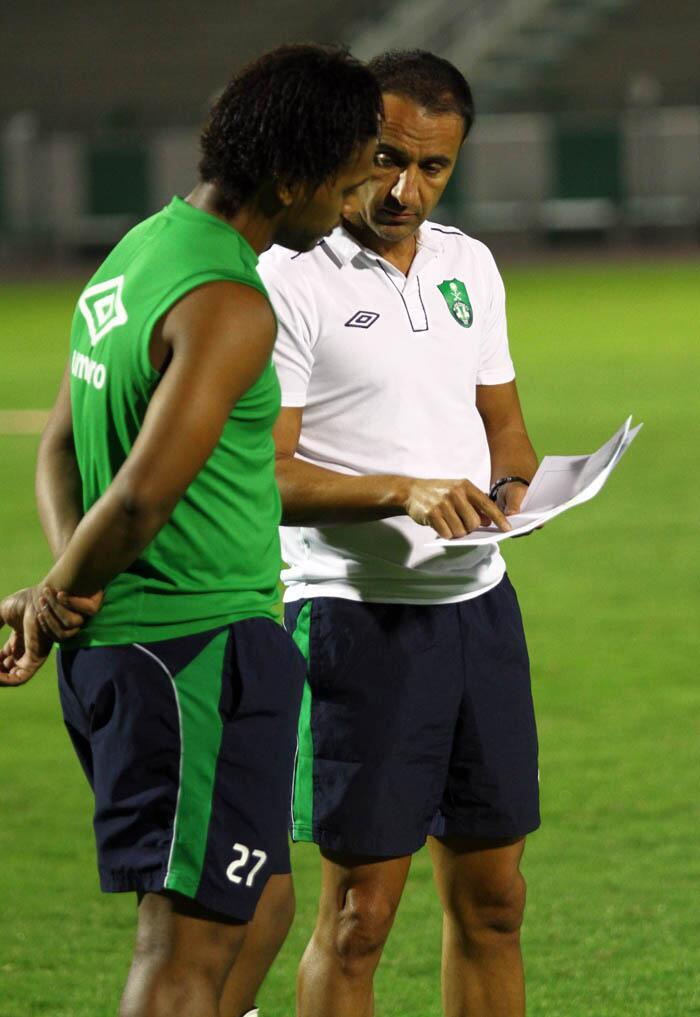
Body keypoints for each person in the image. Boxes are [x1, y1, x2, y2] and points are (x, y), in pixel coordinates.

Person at [0, 44, 381, 1017]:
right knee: (182, 948)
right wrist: (61, 592)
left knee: (261, 906)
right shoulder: (227, 303)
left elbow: (59, 446)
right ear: (289, 177)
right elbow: (137, 499)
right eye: (344, 185)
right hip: (188, 655)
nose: (351, 208)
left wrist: (69, 584)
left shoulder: (141, 249)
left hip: (151, 647)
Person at [257, 49, 540, 1017]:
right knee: (358, 919)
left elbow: (505, 427)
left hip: (479, 613)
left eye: (432, 167)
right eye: (386, 158)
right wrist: (400, 494)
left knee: (497, 902)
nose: (404, 190)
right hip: (354, 618)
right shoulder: (288, 277)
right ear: (349, 144)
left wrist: (517, 488)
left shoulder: (469, 265)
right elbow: (264, 474)